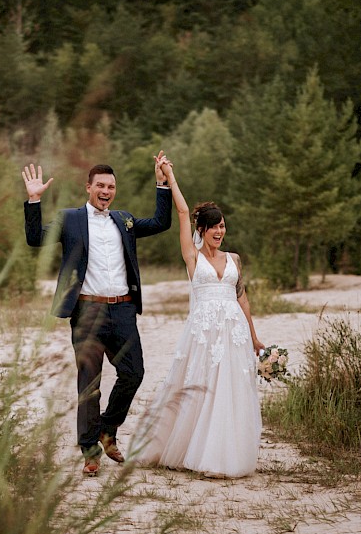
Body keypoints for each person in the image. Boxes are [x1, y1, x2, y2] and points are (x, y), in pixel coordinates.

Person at [23, 157, 172, 476]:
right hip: (87, 311)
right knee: (88, 384)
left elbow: (161, 222)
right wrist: (34, 199)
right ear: (88, 187)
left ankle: (108, 429)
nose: (106, 191)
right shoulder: (70, 219)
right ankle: (90, 450)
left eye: (111, 187)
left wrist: (162, 183)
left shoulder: (124, 220)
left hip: (122, 309)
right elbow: (36, 239)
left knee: (134, 372)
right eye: (100, 186)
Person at [136, 155, 265, 478]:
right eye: (215, 227)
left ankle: (224, 454)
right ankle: (184, 447)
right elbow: (181, 211)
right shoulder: (192, 257)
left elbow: (242, 298)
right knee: (198, 386)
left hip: (233, 332)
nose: (220, 231)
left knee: (230, 390)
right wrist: (169, 177)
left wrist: (254, 337)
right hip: (204, 333)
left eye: (223, 226)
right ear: (202, 229)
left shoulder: (234, 259)